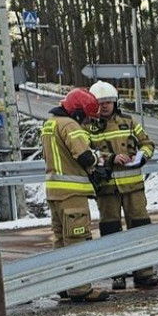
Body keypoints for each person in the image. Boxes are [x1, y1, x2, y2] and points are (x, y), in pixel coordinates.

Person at [87, 81, 158, 290]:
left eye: (108, 102)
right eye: (100, 103)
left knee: (140, 228)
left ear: (115, 102)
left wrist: (142, 157)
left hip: (133, 188)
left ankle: (144, 272)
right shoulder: (88, 126)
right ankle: (117, 275)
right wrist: (110, 158)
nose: (105, 106)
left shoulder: (128, 121)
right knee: (111, 232)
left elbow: (148, 144)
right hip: (107, 189)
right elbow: (85, 154)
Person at [42, 88, 109, 302]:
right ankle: (80, 289)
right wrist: (99, 160)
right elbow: (85, 157)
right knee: (77, 240)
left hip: (54, 192)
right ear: (78, 112)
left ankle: (64, 285)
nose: (88, 122)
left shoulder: (50, 124)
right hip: (72, 193)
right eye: (87, 117)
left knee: (61, 240)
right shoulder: (70, 125)